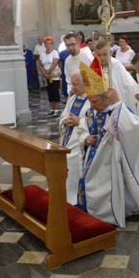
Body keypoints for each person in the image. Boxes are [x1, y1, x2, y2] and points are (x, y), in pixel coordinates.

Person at [76, 59, 139, 228]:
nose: (92, 105)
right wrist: (85, 138)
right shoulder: (91, 112)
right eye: (90, 101)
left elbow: (133, 131)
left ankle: (108, 212)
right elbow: (82, 128)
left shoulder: (120, 112)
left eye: (95, 101)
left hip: (113, 164)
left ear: (106, 97)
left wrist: (117, 106)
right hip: (93, 161)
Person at [59, 71, 91, 204]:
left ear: (86, 83)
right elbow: (63, 115)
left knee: (72, 165)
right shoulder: (72, 98)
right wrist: (65, 121)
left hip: (80, 144)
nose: (73, 88)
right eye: (72, 84)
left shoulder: (92, 100)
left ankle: (76, 198)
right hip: (67, 141)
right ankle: (66, 195)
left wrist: (80, 121)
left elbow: (97, 122)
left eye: (76, 84)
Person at [94, 40, 139, 113]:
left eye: (105, 54)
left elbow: (127, 85)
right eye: (99, 55)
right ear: (95, 54)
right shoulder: (95, 67)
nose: (102, 58)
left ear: (110, 52)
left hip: (118, 99)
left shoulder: (116, 65)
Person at [39, 36, 61, 116]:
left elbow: (55, 63)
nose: (47, 45)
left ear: (52, 44)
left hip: (54, 76)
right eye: (46, 43)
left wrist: (47, 72)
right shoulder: (42, 54)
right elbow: (40, 64)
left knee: (55, 92)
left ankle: (56, 110)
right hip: (46, 77)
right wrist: (44, 73)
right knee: (49, 92)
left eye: (49, 43)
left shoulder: (54, 52)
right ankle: (51, 109)